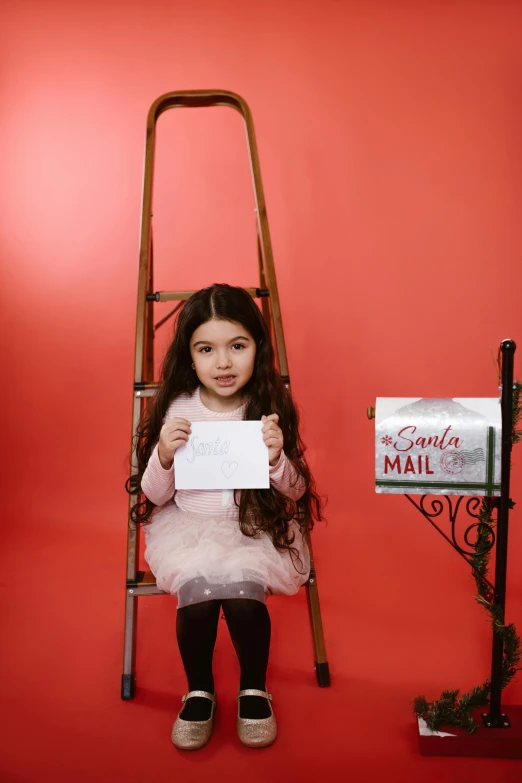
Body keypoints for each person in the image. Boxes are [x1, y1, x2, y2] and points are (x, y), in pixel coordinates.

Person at [128, 283, 322, 750]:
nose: (223, 362)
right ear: (189, 357)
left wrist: (276, 457)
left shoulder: (266, 409)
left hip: (250, 529)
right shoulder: (178, 408)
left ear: (258, 346)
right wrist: (165, 455)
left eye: (237, 346)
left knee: (242, 597)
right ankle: (199, 690)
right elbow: (154, 494)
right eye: (207, 349)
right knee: (196, 598)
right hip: (190, 529)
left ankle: (254, 687)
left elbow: (296, 491)